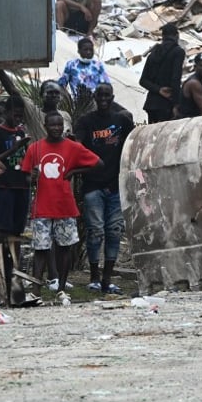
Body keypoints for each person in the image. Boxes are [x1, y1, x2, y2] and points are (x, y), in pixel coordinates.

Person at [22, 111, 103, 304]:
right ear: (45, 126)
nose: (56, 128)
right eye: (53, 125)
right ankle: (36, 291)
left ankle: (61, 289)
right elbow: (26, 173)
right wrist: (31, 178)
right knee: (41, 249)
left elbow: (98, 163)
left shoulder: (72, 147)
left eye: (60, 125)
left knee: (64, 248)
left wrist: (75, 170)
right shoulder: (35, 148)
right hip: (41, 207)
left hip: (65, 206)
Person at [74, 83, 135, 294]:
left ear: (112, 97)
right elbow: (77, 145)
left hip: (116, 185)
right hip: (93, 185)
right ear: (94, 97)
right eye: (99, 95)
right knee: (95, 231)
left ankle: (107, 279)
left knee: (114, 231)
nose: (103, 98)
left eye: (106, 95)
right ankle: (94, 276)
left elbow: (133, 144)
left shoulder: (121, 121)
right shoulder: (85, 122)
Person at [0, 96, 32, 241]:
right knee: (3, 228)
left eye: (20, 116)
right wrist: (13, 149)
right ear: (6, 112)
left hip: (22, 185)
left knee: (17, 230)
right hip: (5, 186)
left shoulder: (21, 132)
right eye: (15, 115)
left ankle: (14, 262)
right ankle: (1, 260)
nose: (18, 119)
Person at [139, 23, 186, 123]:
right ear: (177, 36)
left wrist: (158, 90)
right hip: (167, 104)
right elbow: (175, 79)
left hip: (151, 105)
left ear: (163, 37)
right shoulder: (178, 52)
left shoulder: (153, 54)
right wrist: (176, 104)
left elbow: (143, 81)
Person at [58, 37, 111, 107]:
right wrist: (68, 100)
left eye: (91, 50)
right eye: (85, 50)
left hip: (96, 103)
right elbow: (61, 84)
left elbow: (106, 85)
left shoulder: (98, 65)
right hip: (77, 104)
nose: (88, 52)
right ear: (79, 51)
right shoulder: (71, 65)